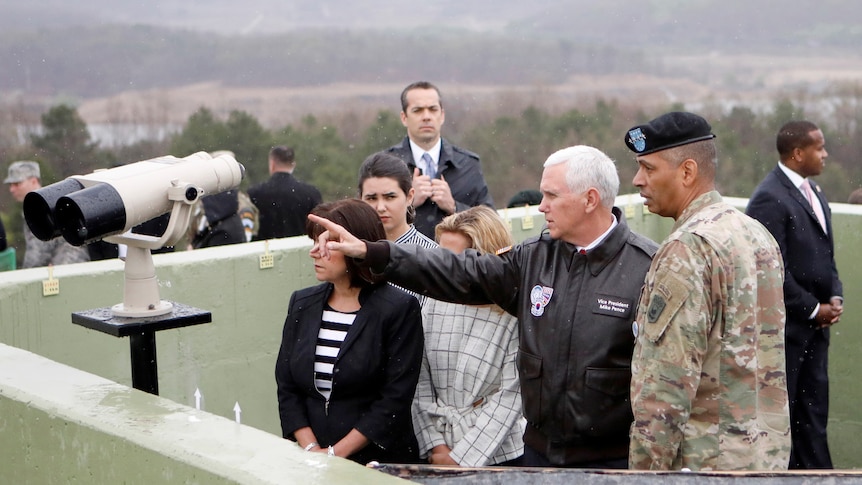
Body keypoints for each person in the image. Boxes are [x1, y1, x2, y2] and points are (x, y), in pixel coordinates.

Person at [309, 145, 657, 468]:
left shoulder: (647, 268)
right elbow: (461, 271)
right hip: (539, 456)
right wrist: (374, 252)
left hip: (610, 461)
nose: (541, 206)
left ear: (589, 199)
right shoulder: (535, 258)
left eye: (551, 195)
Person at [625, 111, 790, 470]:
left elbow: (664, 386)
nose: (637, 180)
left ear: (687, 172)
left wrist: (642, 475)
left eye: (649, 168)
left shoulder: (687, 248)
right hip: (763, 459)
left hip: (703, 465)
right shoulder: (756, 235)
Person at [275, 198, 423, 465]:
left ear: (357, 248)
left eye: (328, 244)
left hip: (376, 463)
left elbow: (394, 398)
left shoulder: (398, 308)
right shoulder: (302, 303)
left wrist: (335, 454)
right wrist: (311, 449)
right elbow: (287, 387)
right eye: (314, 242)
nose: (315, 252)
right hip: (311, 462)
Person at [746, 120, 843, 469]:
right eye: (819, 148)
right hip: (787, 335)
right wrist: (812, 309)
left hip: (816, 331)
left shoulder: (814, 192)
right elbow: (771, 269)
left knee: (813, 416)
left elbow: (825, 255)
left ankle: (819, 476)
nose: (825, 154)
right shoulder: (768, 198)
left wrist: (835, 298)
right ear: (798, 153)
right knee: (786, 421)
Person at [412, 206, 526, 467]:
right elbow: (419, 378)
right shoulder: (433, 300)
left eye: (456, 261)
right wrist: (434, 444)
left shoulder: (513, 312)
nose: (446, 269)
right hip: (437, 451)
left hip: (499, 457)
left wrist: (461, 459)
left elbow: (510, 397)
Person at [385, 81, 494, 238]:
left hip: (457, 260)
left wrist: (454, 206)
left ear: (442, 115)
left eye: (432, 109)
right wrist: (406, 202)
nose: (426, 117)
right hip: (403, 260)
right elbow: (367, 223)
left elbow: (492, 224)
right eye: (417, 110)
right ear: (404, 117)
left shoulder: (468, 164)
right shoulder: (384, 166)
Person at [358, 152, 437, 304]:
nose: (380, 207)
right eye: (371, 198)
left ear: (409, 197)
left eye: (390, 197)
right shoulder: (353, 254)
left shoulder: (431, 255)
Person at [5, 160, 90, 268]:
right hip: (65, 266)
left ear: (34, 182)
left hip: (66, 266)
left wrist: (24, 277)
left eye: (17, 184)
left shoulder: (39, 208)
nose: (12, 189)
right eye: (11, 185)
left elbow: (37, 255)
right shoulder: (44, 203)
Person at [249, 145, 322, 240]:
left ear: (272, 164)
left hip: (266, 251)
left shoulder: (255, 193)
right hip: (301, 250)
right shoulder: (311, 193)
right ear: (293, 165)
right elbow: (319, 227)